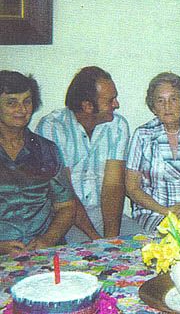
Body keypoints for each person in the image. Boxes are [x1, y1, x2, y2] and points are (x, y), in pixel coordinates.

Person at [36, 66, 134, 243]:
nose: (116, 104)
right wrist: (96, 239)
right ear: (88, 106)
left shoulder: (118, 126)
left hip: (105, 213)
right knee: (82, 259)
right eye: (110, 100)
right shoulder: (52, 127)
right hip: (67, 218)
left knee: (145, 247)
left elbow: (113, 186)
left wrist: (111, 240)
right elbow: (64, 194)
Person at [125, 72, 180, 234]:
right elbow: (132, 188)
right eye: (160, 100)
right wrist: (166, 212)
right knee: (169, 242)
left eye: (173, 99)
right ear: (153, 107)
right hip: (153, 213)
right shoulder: (142, 135)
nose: (167, 106)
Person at [0, 71, 75, 255]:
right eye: (11, 103)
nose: (22, 109)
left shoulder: (47, 150)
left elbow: (66, 206)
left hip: (43, 251)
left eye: (27, 101)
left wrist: (47, 239)